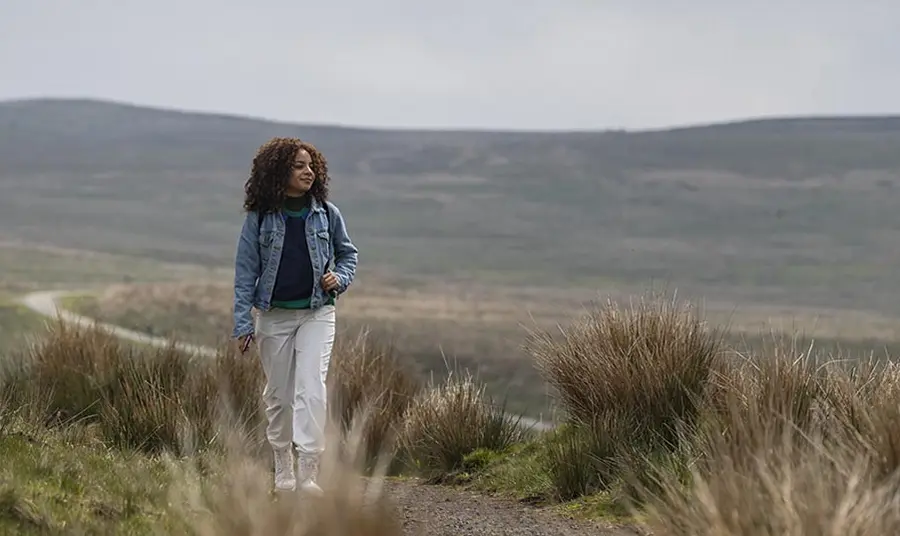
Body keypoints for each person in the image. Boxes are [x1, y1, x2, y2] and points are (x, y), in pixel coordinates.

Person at [231, 137, 358, 494]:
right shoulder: (259, 219)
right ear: (278, 171)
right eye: (299, 166)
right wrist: (243, 323)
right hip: (273, 317)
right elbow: (245, 273)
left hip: (317, 312)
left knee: (312, 390)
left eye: (311, 165)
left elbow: (348, 255)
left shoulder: (327, 213)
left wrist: (340, 278)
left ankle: (308, 473)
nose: (309, 172)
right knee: (279, 395)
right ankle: (282, 466)